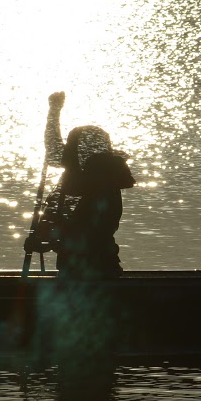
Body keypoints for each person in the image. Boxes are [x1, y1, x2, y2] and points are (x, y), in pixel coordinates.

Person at [23, 91, 136, 278]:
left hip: (96, 269)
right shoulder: (85, 178)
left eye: (70, 148)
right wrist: (54, 111)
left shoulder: (100, 187)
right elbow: (53, 149)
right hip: (75, 268)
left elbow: (90, 236)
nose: (65, 153)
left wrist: (49, 244)